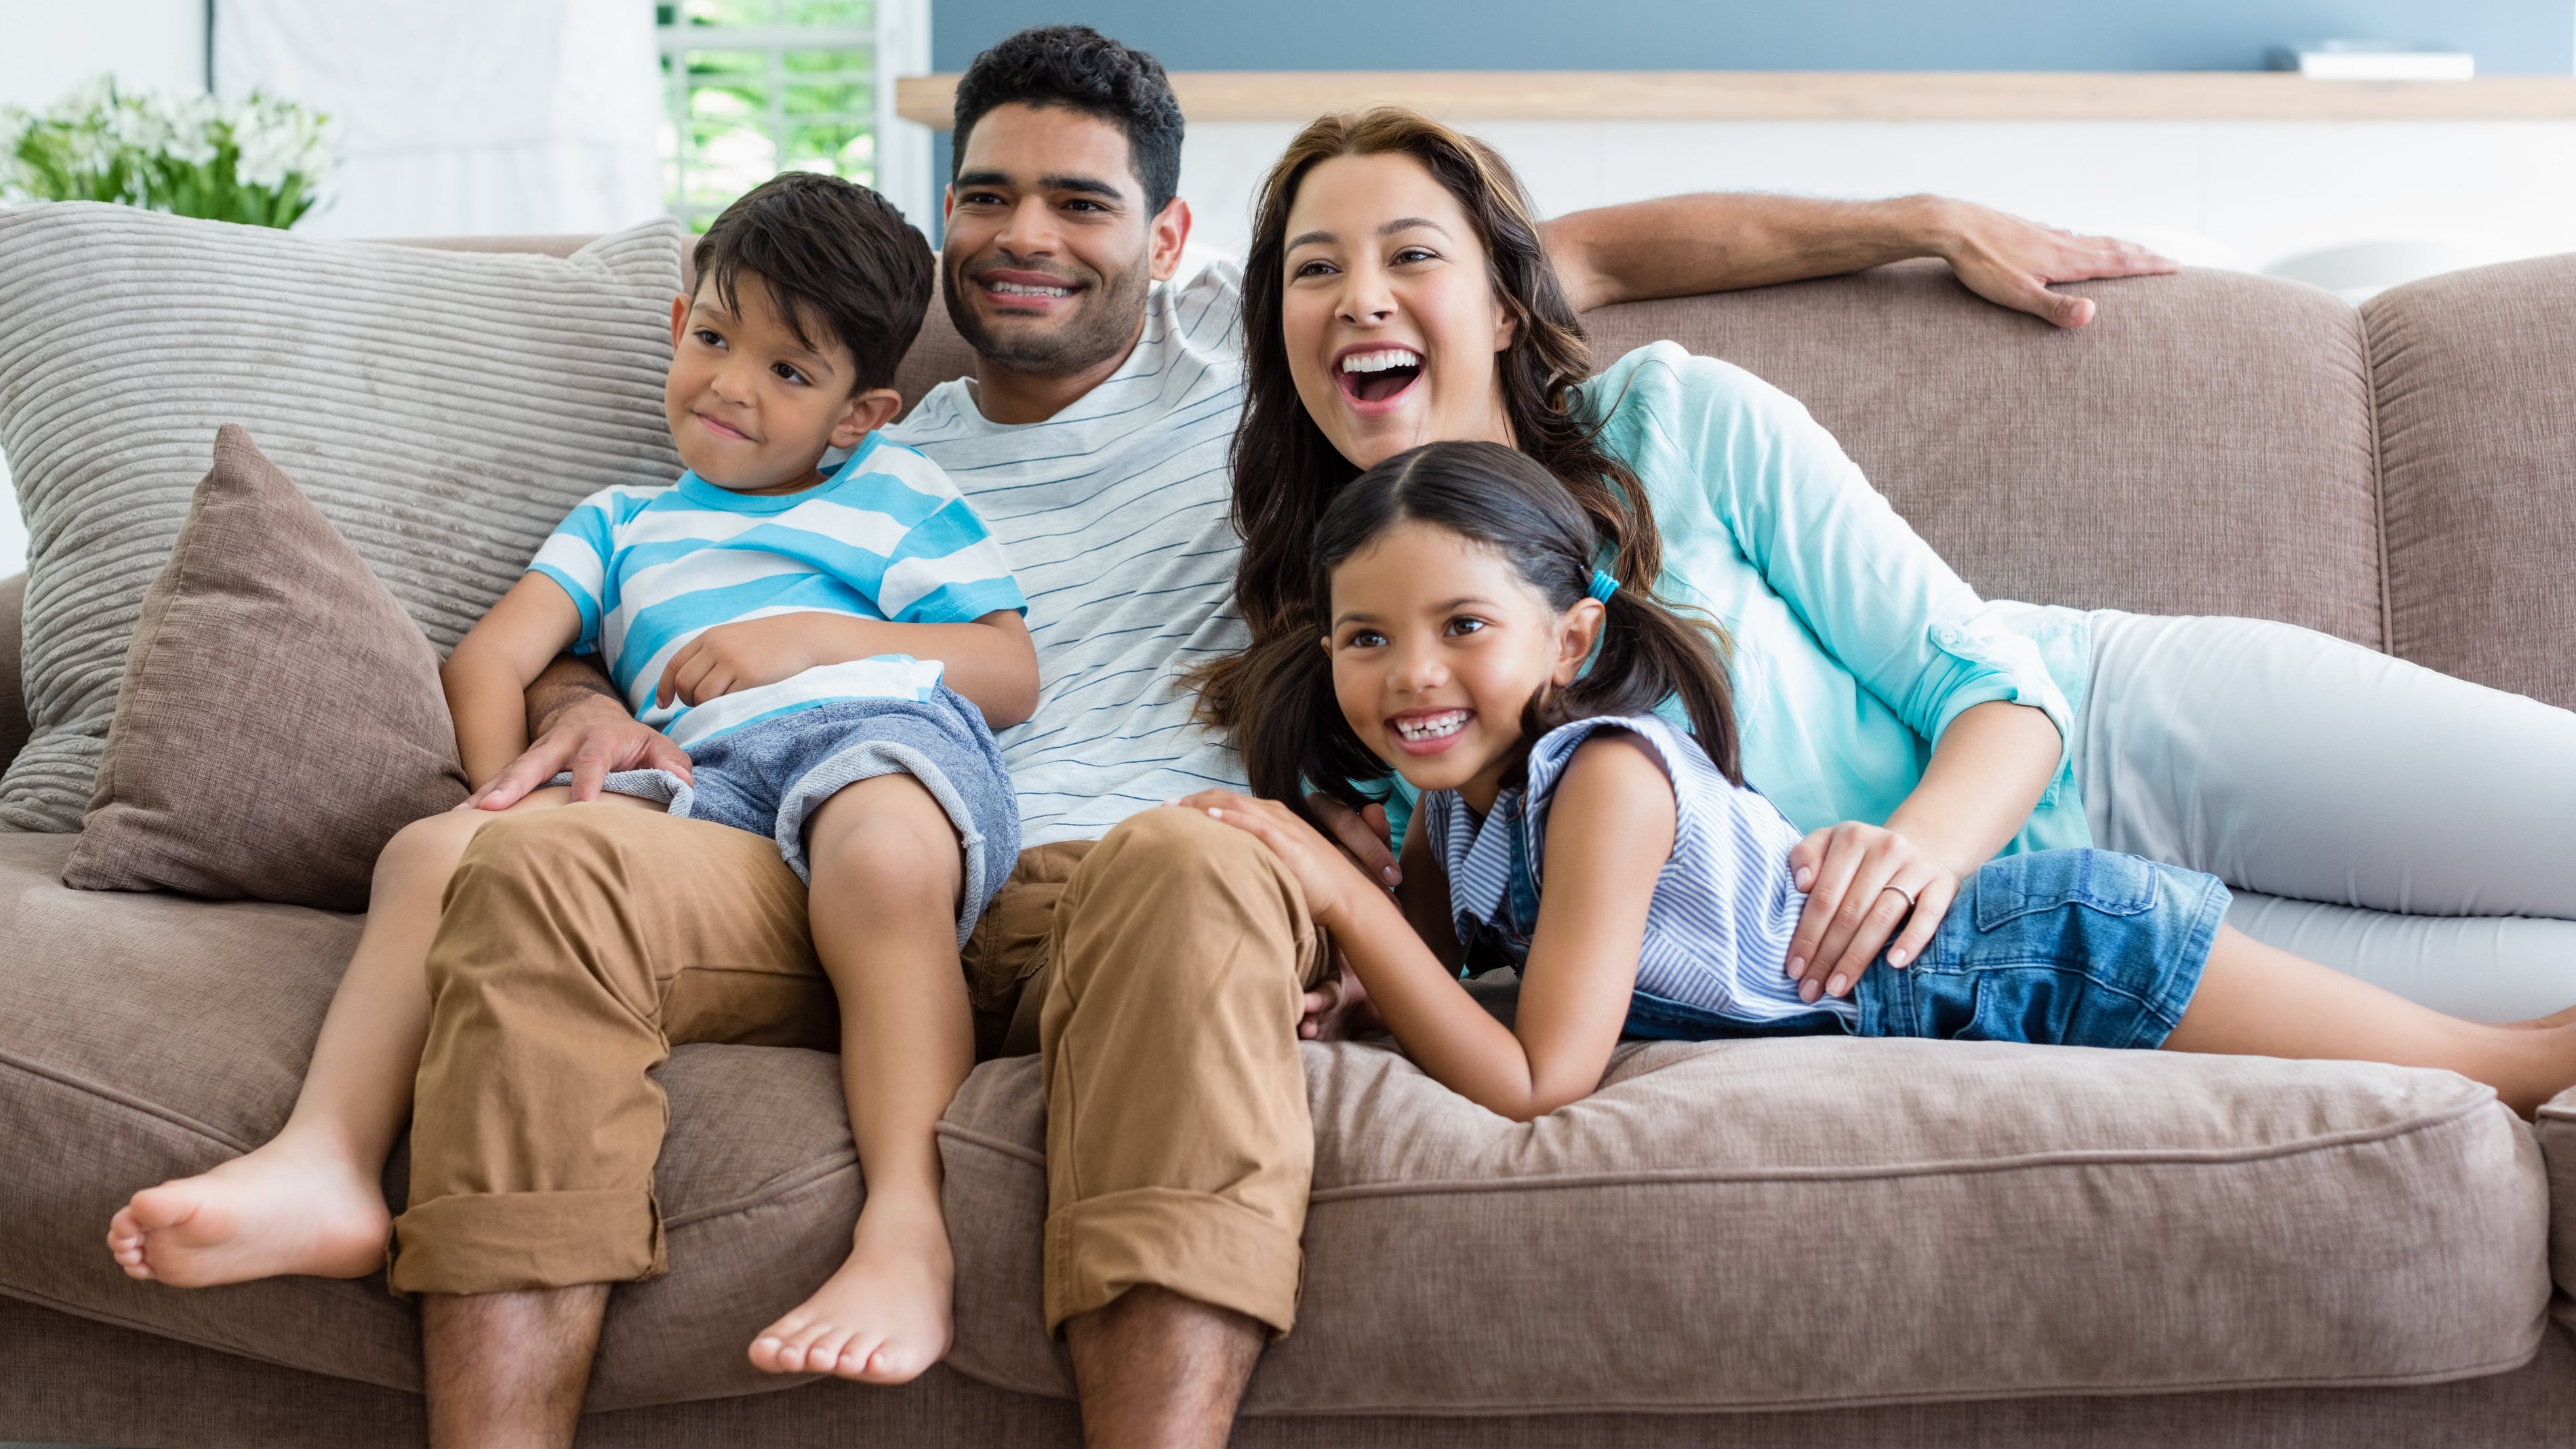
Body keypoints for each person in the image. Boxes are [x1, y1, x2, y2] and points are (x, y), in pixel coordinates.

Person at [216, 25, 2183, 1449]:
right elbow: (636, 598)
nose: (1025, 238)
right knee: (541, 871)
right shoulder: (850, 429)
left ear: (1168, 248)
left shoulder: (1280, 363)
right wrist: (571, 704)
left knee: (1198, 861)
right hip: (806, 852)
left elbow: (1575, 254)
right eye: (987, 197)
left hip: (1122, 878)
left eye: (1083, 204)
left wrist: (1910, 211)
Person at [1206, 104, 2576, 1027]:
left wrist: (1909, 855)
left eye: (1409, 257)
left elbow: (1995, 684)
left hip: (2118, 728)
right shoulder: (1351, 657)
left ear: (1507, 304)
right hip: (2025, 949)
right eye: (1312, 271)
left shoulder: (1675, 419)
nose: (1361, 296)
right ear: (1279, 329)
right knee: (2530, 1005)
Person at [104, 172, 1040, 1387]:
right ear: (675, 325)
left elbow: (1010, 670)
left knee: (880, 850)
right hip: (696, 799)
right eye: (714, 339)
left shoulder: (896, 494)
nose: (731, 387)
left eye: (788, 373)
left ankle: (909, 1228)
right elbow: (493, 659)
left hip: (871, 738)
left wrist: (812, 639)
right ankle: (323, 1159)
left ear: (860, 413)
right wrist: (509, 799)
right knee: (432, 851)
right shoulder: (619, 523)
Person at [1181, 439, 2576, 1123]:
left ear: (1571, 636)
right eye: (1368, 638)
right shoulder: (1449, 799)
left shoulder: (1605, 778)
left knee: (2501, 1070)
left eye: (1461, 628)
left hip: (2038, 953)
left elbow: (1541, 1074)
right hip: (1981, 972)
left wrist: (1334, 896)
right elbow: (1445, 961)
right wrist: (1361, 993)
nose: (1410, 675)